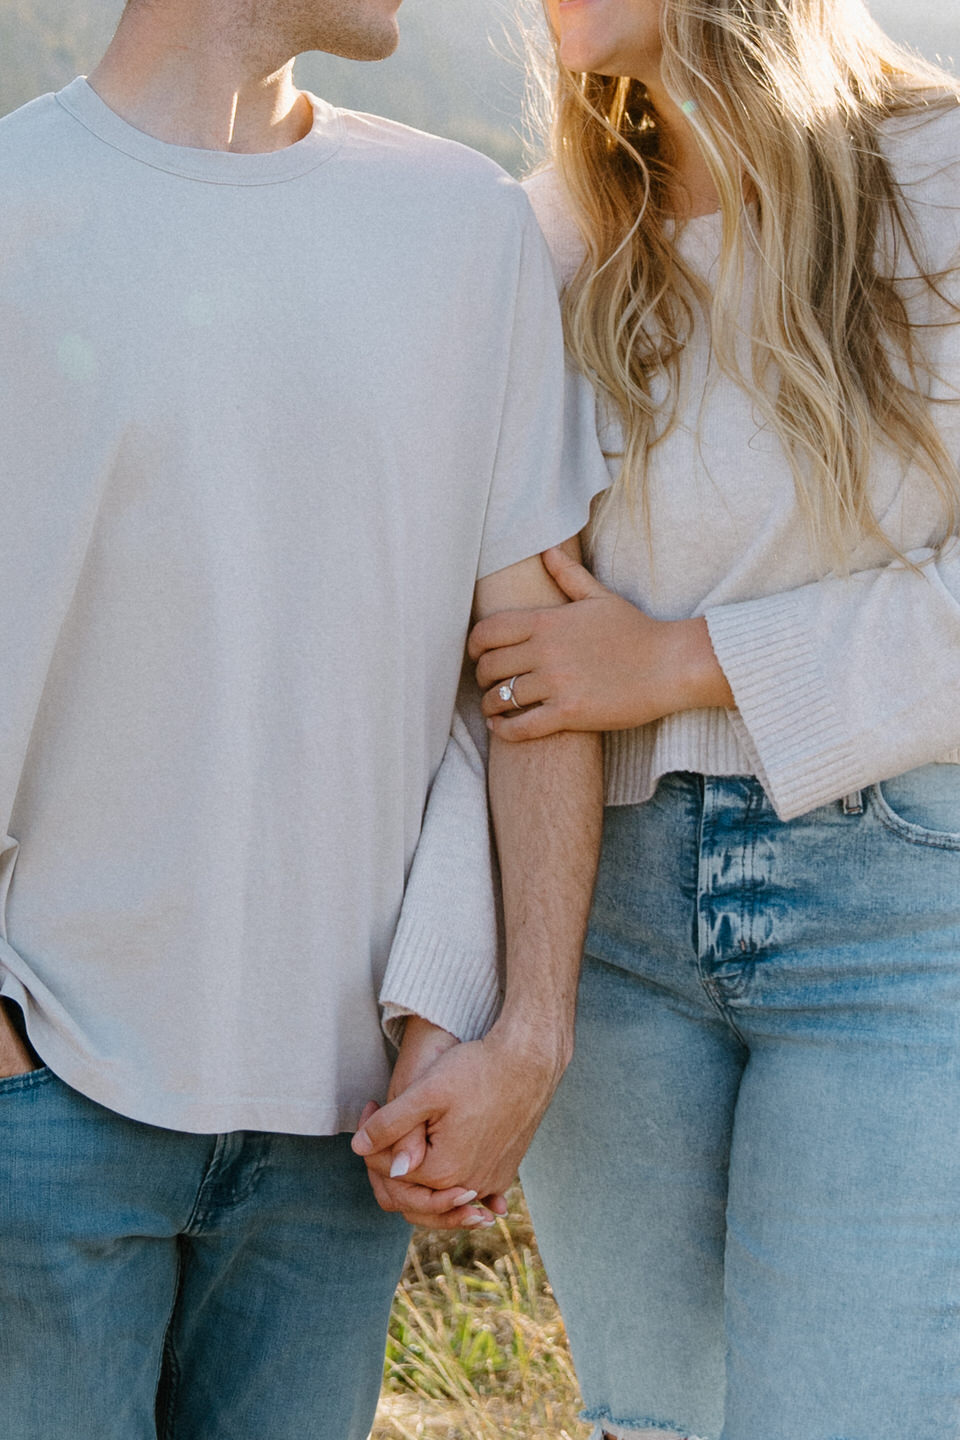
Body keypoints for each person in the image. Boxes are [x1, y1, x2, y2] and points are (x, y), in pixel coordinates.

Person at [0, 1, 611, 1436]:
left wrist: (519, 1025)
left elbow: (532, 666)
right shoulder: (15, 212)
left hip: (343, 1148)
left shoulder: (463, 228)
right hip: (43, 1108)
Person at [355, 0, 960, 1436]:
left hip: (895, 924)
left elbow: (608, 664)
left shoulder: (937, 181)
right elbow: (498, 668)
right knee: (657, 1426)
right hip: (605, 939)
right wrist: (451, 1002)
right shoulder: (545, 239)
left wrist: (694, 661)